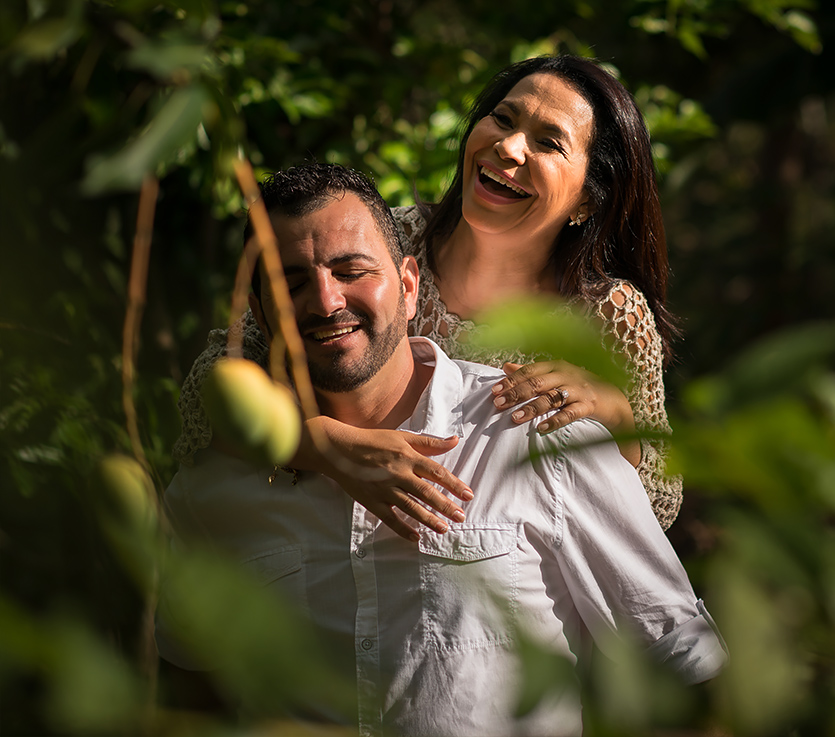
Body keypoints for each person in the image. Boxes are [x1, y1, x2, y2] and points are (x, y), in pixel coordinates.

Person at [157, 164, 726, 735]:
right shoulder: (218, 481)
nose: (326, 302)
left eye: (352, 270)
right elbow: (187, 679)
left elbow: (679, 663)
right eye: (291, 283)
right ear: (259, 312)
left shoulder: (540, 435)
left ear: (408, 287)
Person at [173, 55, 683, 534]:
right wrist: (325, 445)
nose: (508, 147)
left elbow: (656, 509)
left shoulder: (607, 315)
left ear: (588, 199)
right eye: (503, 120)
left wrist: (616, 416)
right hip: (320, 540)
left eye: (549, 142)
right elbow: (211, 385)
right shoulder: (377, 251)